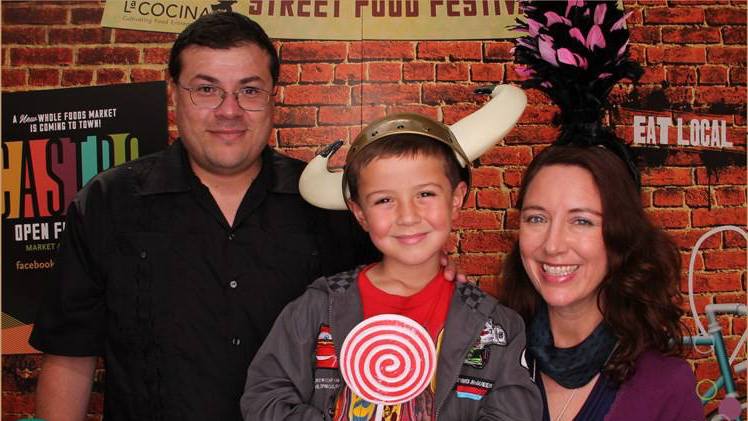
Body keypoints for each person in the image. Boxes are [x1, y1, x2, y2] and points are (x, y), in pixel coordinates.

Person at [30, 12, 379, 421]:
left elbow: (391, 324)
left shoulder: (332, 204)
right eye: (206, 89)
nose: (228, 111)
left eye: (249, 90)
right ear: (174, 94)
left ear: (273, 97)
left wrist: (434, 277)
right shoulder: (108, 203)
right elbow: (70, 358)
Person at [241, 111, 542, 420]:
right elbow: (265, 397)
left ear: (455, 198)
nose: (408, 216)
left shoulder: (498, 326)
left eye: (425, 194)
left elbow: (515, 412)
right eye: (384, 200)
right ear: (359, 213)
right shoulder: (317, 309)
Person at [501, 1, 703, 420]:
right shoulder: (489, 364)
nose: (553, 244)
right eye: (536, 218)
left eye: (582, 220)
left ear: (621, 237)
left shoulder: (665, 386)